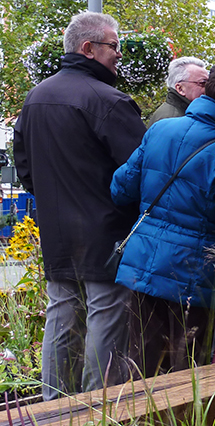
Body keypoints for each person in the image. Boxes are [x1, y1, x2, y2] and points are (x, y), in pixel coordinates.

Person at [13, 12, 147, 400]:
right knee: (106, 313)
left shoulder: (36, 97)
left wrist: (51, 199)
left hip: (56, 225)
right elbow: (141, 168)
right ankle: (101, 410)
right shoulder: (108, 100)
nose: (119, 54)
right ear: (88, 49)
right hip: (106, 227)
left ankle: (52, 406)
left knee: (62, 311)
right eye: (114, 45)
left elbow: (24, 163)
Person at [110, 60, 215, 378]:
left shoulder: (160, 130)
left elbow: (120, 188)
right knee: (187, 375)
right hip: (194, 276)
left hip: (142, 266)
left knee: (140, 367)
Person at [148, 56, 208, 127]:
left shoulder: (182, 113)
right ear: (180, 89)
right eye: (202, 83)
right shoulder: (171, 120)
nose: (208, 88)